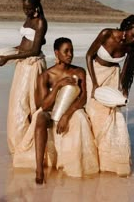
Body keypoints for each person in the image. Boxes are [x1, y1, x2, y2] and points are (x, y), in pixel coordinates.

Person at [13, 37, 99, 184]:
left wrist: (67, 115)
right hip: (51, 111)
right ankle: (39, 169)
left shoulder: (79, 72)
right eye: (66, 51)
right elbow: (44, 105)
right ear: (56, 53)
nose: (70, 54)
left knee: (80, 118)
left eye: (71, 51)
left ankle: (76, 163)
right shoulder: (46, 76)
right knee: (40, 118)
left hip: (71, 110)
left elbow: (83, 98)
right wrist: (58, 85)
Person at [86, 14, 134, 177]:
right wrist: (94, 84)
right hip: (95, 74)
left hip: (112, 76)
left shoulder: (131, 46)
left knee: (109, 117)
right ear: (126, 29)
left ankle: (107, 161)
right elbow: (89, 56)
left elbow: (127, 70)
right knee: (93, 114)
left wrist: (123, 90)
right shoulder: (107, 34)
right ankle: (92, 157)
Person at [0, 0, 48, 155]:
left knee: (28, 104)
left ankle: (30, 146)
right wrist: (5, 54)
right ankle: (18, 144)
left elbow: (34, 50)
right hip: (22, 64)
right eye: (24, 8)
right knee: (17, 104)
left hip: (32, 65)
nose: (27, 11)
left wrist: (10, 57)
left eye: (29, 8)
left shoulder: (40, 22)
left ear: (36, 6)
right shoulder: (28, 19)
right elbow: (23, 43)